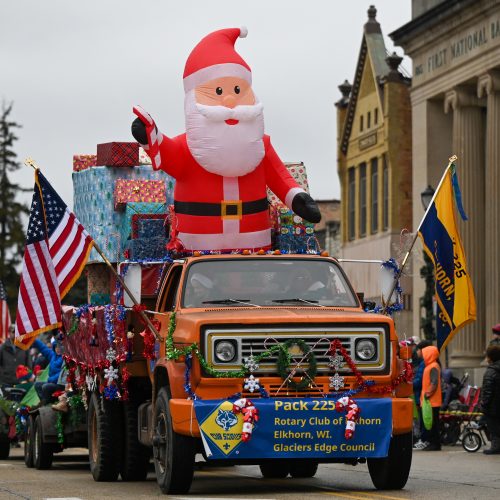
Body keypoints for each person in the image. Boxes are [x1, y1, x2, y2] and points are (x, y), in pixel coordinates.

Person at [132, 28, 320, 253]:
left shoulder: (261, 145)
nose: (230, 100)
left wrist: (297, 198)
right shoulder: (187, 147)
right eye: (218, 91)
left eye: (238, 90)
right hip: (198, 250)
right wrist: (148, 135)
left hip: (255, 248)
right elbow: (166, 152)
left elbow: (281, 178)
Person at [420, 345, 442, 451]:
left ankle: (435, 444)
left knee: (433, 424)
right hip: (430, 400)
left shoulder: (433, 366)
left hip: (432, 401)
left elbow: (434, 382)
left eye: (425, 353)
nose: (423, 355)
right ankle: (434, 443)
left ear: (429, 355)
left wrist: (428, 393)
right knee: (432, 423)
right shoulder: (431, 366)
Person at [412, 340, 433, 450]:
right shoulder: (423, 363)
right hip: (421, 395)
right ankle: (424, 439)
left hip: (422, 396)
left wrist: (410, 385)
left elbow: (419, 381)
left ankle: (425, 440)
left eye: (418, 350)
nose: (417, 352)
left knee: (424, 419)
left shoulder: (424, 363)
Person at [480, 345, 500, 454]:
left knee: (493, 427)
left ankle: (496, 447)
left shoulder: (490, 372)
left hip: (493, 406)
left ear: (490, 358)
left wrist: (483, 403)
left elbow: (487, 391)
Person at [33, 337, 64, 405]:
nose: (58, 349)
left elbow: (62, 373)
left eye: (59, 347)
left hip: (61, 384)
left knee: (46, 387)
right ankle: (44, 403)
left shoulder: (65, 357)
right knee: (37, 385)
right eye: (56, 347)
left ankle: (49, 404)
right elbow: (43, 348)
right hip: (52, 382)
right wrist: (34, 339)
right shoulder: (52, 355)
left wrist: (50, 379)